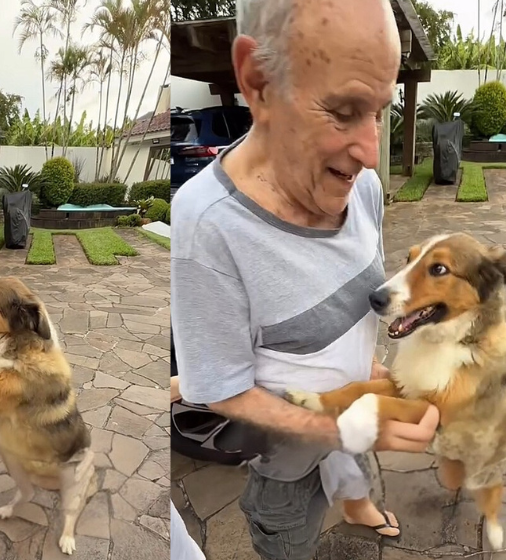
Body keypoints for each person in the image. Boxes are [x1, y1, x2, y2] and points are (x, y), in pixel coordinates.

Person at [169, 0, 441, 558]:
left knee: (352, 465)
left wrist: (373, 382)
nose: (371, 153)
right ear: (258, 81)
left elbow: (354, 305)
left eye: (379, 111)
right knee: (289, 528)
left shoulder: (357, 185)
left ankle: (356, 502)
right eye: (344, 111)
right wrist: (347, 428)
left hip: (349, 410)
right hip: (285, 462)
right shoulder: (206, 228)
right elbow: (219, 390)